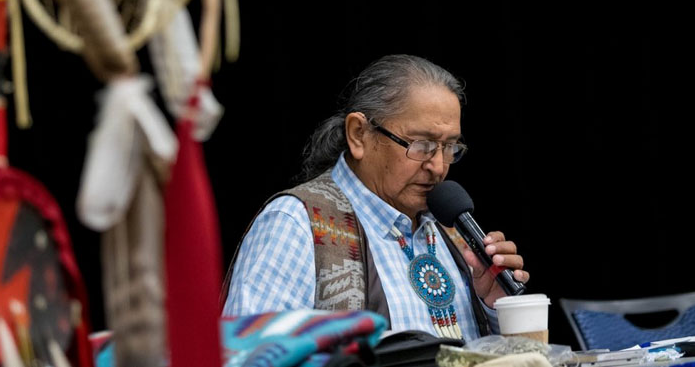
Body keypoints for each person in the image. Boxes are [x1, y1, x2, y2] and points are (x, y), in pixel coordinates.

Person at [222, 54, 529, 340]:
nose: (438, 167)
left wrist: (494, 308)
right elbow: (249, 355)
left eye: (450, 148)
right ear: (358, 134)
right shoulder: (295, 224)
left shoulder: (454, 233)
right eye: (421, 145)